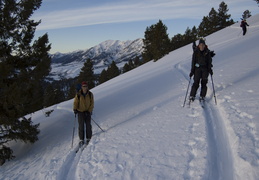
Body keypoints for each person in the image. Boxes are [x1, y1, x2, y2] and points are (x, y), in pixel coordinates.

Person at [73, 81, 94, 146]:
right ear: (81, 87)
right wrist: (75, 109)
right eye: (83, 86)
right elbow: (75, 102)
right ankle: (81, 139)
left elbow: (92, 104)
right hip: (80, 112)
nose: (85, 88)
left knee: (88, 125)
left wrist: (89, 111)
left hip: (87, 112)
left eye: (86, 86)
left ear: (87, 87)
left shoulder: (90, 94)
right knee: (81, 126)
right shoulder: (78, 94)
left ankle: (88, 137)